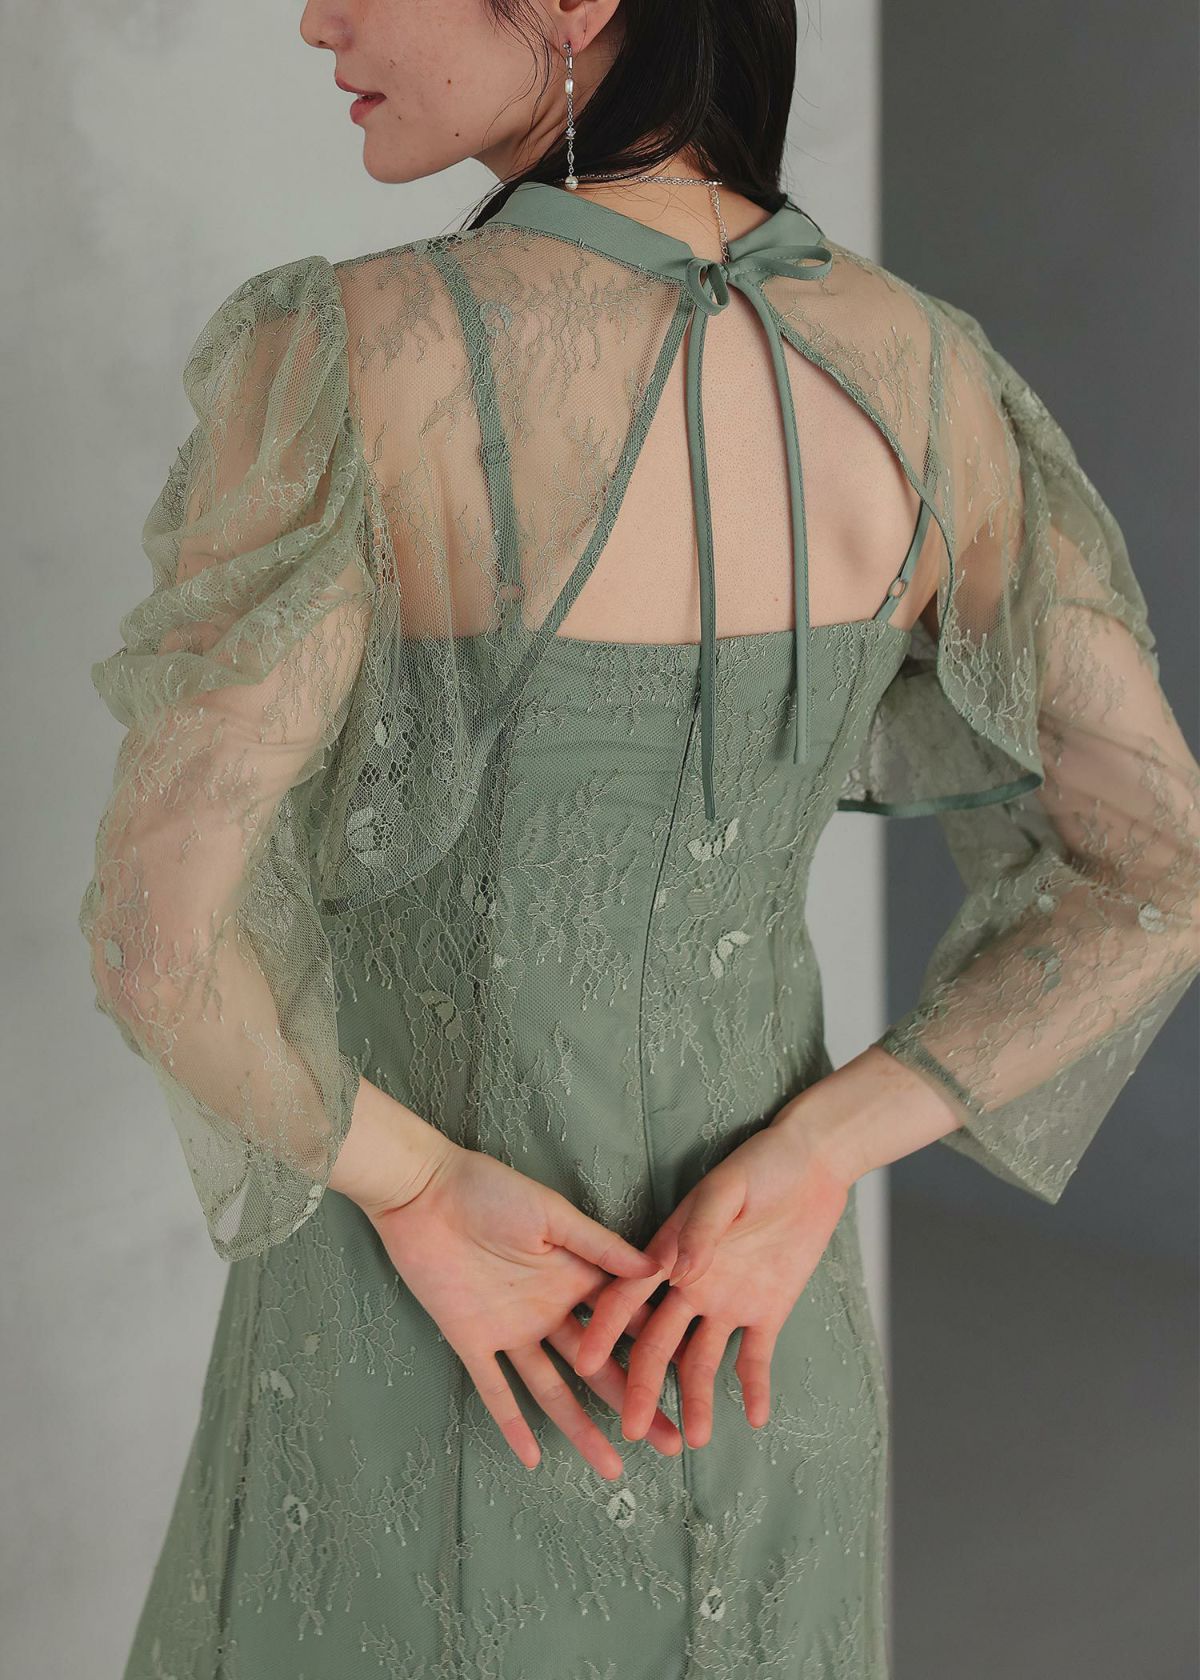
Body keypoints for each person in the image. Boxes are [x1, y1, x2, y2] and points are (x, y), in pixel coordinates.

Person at [78, 2, 1200, 1675]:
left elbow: (159, 936)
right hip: (751, 1322)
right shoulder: (926, 368)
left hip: (433, 1338)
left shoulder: (352, 358)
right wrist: (823, 1150)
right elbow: (1160, 867)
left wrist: (419, 1185)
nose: (318, 15)